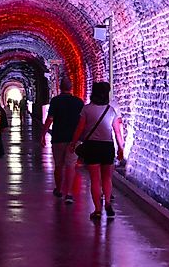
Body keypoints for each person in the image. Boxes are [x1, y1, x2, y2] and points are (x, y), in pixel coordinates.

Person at [71, 81, 125, 220]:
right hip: (107, 146)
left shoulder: (87, 109)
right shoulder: (111, 110)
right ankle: (107, 202)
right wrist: (120, 148)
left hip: (92, 146)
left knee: (95, 180)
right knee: (107, 178)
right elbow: (117, 132)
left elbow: (80, 128)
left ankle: (98, 210)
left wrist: (73, 143)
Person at [41, 74, 84, 203]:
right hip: (74, 139)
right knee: (71, 166)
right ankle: (69, 193)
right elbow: (82, 121)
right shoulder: (79, 102)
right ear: (71, 88)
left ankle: (59, 189)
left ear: (60, 88)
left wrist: (43, 134)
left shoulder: (55, 101)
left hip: (58, 137)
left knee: (59, 165)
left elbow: (50, 119)